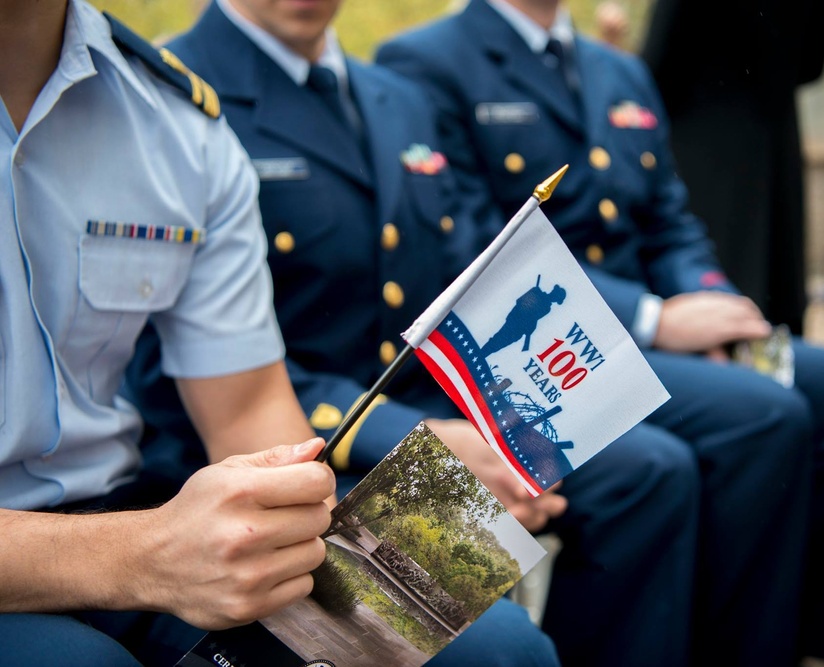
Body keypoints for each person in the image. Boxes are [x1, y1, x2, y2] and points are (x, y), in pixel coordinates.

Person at [121, 0, 706, 665]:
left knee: (650, 470)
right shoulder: (172, 96)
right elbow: (187, 379)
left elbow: (452, 273)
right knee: (499, 649)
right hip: (294, 451)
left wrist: (509, 415)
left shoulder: (391, 95)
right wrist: (419, 443)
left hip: (413, 408)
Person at [375, 1, 824, 665]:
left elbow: (670, 220)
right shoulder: (422, 62)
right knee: (762, 418)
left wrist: (712, 299)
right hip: (547, 343)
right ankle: (738, 648)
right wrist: (653, 317)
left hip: (657, 325)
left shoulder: (617, 68)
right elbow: (473, 248)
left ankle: (790, 635)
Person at [0, 2, 337, 665]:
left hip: (121, 517)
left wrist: (304, 529)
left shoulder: (179, 124)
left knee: (484, 645)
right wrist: (147, 552)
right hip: (120, 547)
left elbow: (247, 410)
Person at [641, 0, 824, 336]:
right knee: (773, 305)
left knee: (710, 308)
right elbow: (813, 64)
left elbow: (657, 67)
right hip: (775, 153)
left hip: (702, 150)